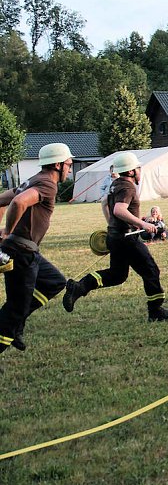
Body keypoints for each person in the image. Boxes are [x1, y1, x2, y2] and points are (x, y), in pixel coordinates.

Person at [63, 151, 168, 322]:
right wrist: (143, 224)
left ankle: (81, 286)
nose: (140, 171)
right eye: (138, 168)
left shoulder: (115, 184)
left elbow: (105, 204)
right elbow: (119, 210)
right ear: (131, 171)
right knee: (151, 271)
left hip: (116, 236)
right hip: (127, 239)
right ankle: (156, 312)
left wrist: (113, 225)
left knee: (117, 275)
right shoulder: (128, 186)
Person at [0, 143, 74, 353]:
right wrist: (6, 231)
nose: (69, 168)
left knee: (54, 282)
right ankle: (14, 327)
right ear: (58, 165)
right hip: (22, 252)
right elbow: (18, 202)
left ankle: (17, 324)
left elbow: (2, 199)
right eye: (69, 164)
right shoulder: (47, 184)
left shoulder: (33, 180)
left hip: (28, 251)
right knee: (14, 310)